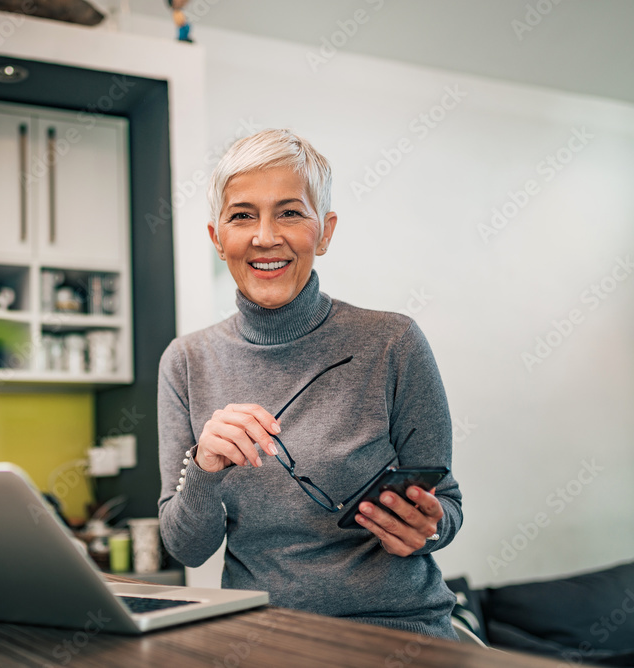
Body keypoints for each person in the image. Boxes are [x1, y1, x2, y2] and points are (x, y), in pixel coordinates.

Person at [156, 129, 462, 640]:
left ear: (325, 232)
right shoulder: (185, 361)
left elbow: (446, 504)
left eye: (290, 213)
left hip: (394, 632)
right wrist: (205, 466)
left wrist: (427, 529)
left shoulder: (393, 341)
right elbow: (186, 548)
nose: (265, 236)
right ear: (217, 238)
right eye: (242, 215)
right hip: (259, 637)